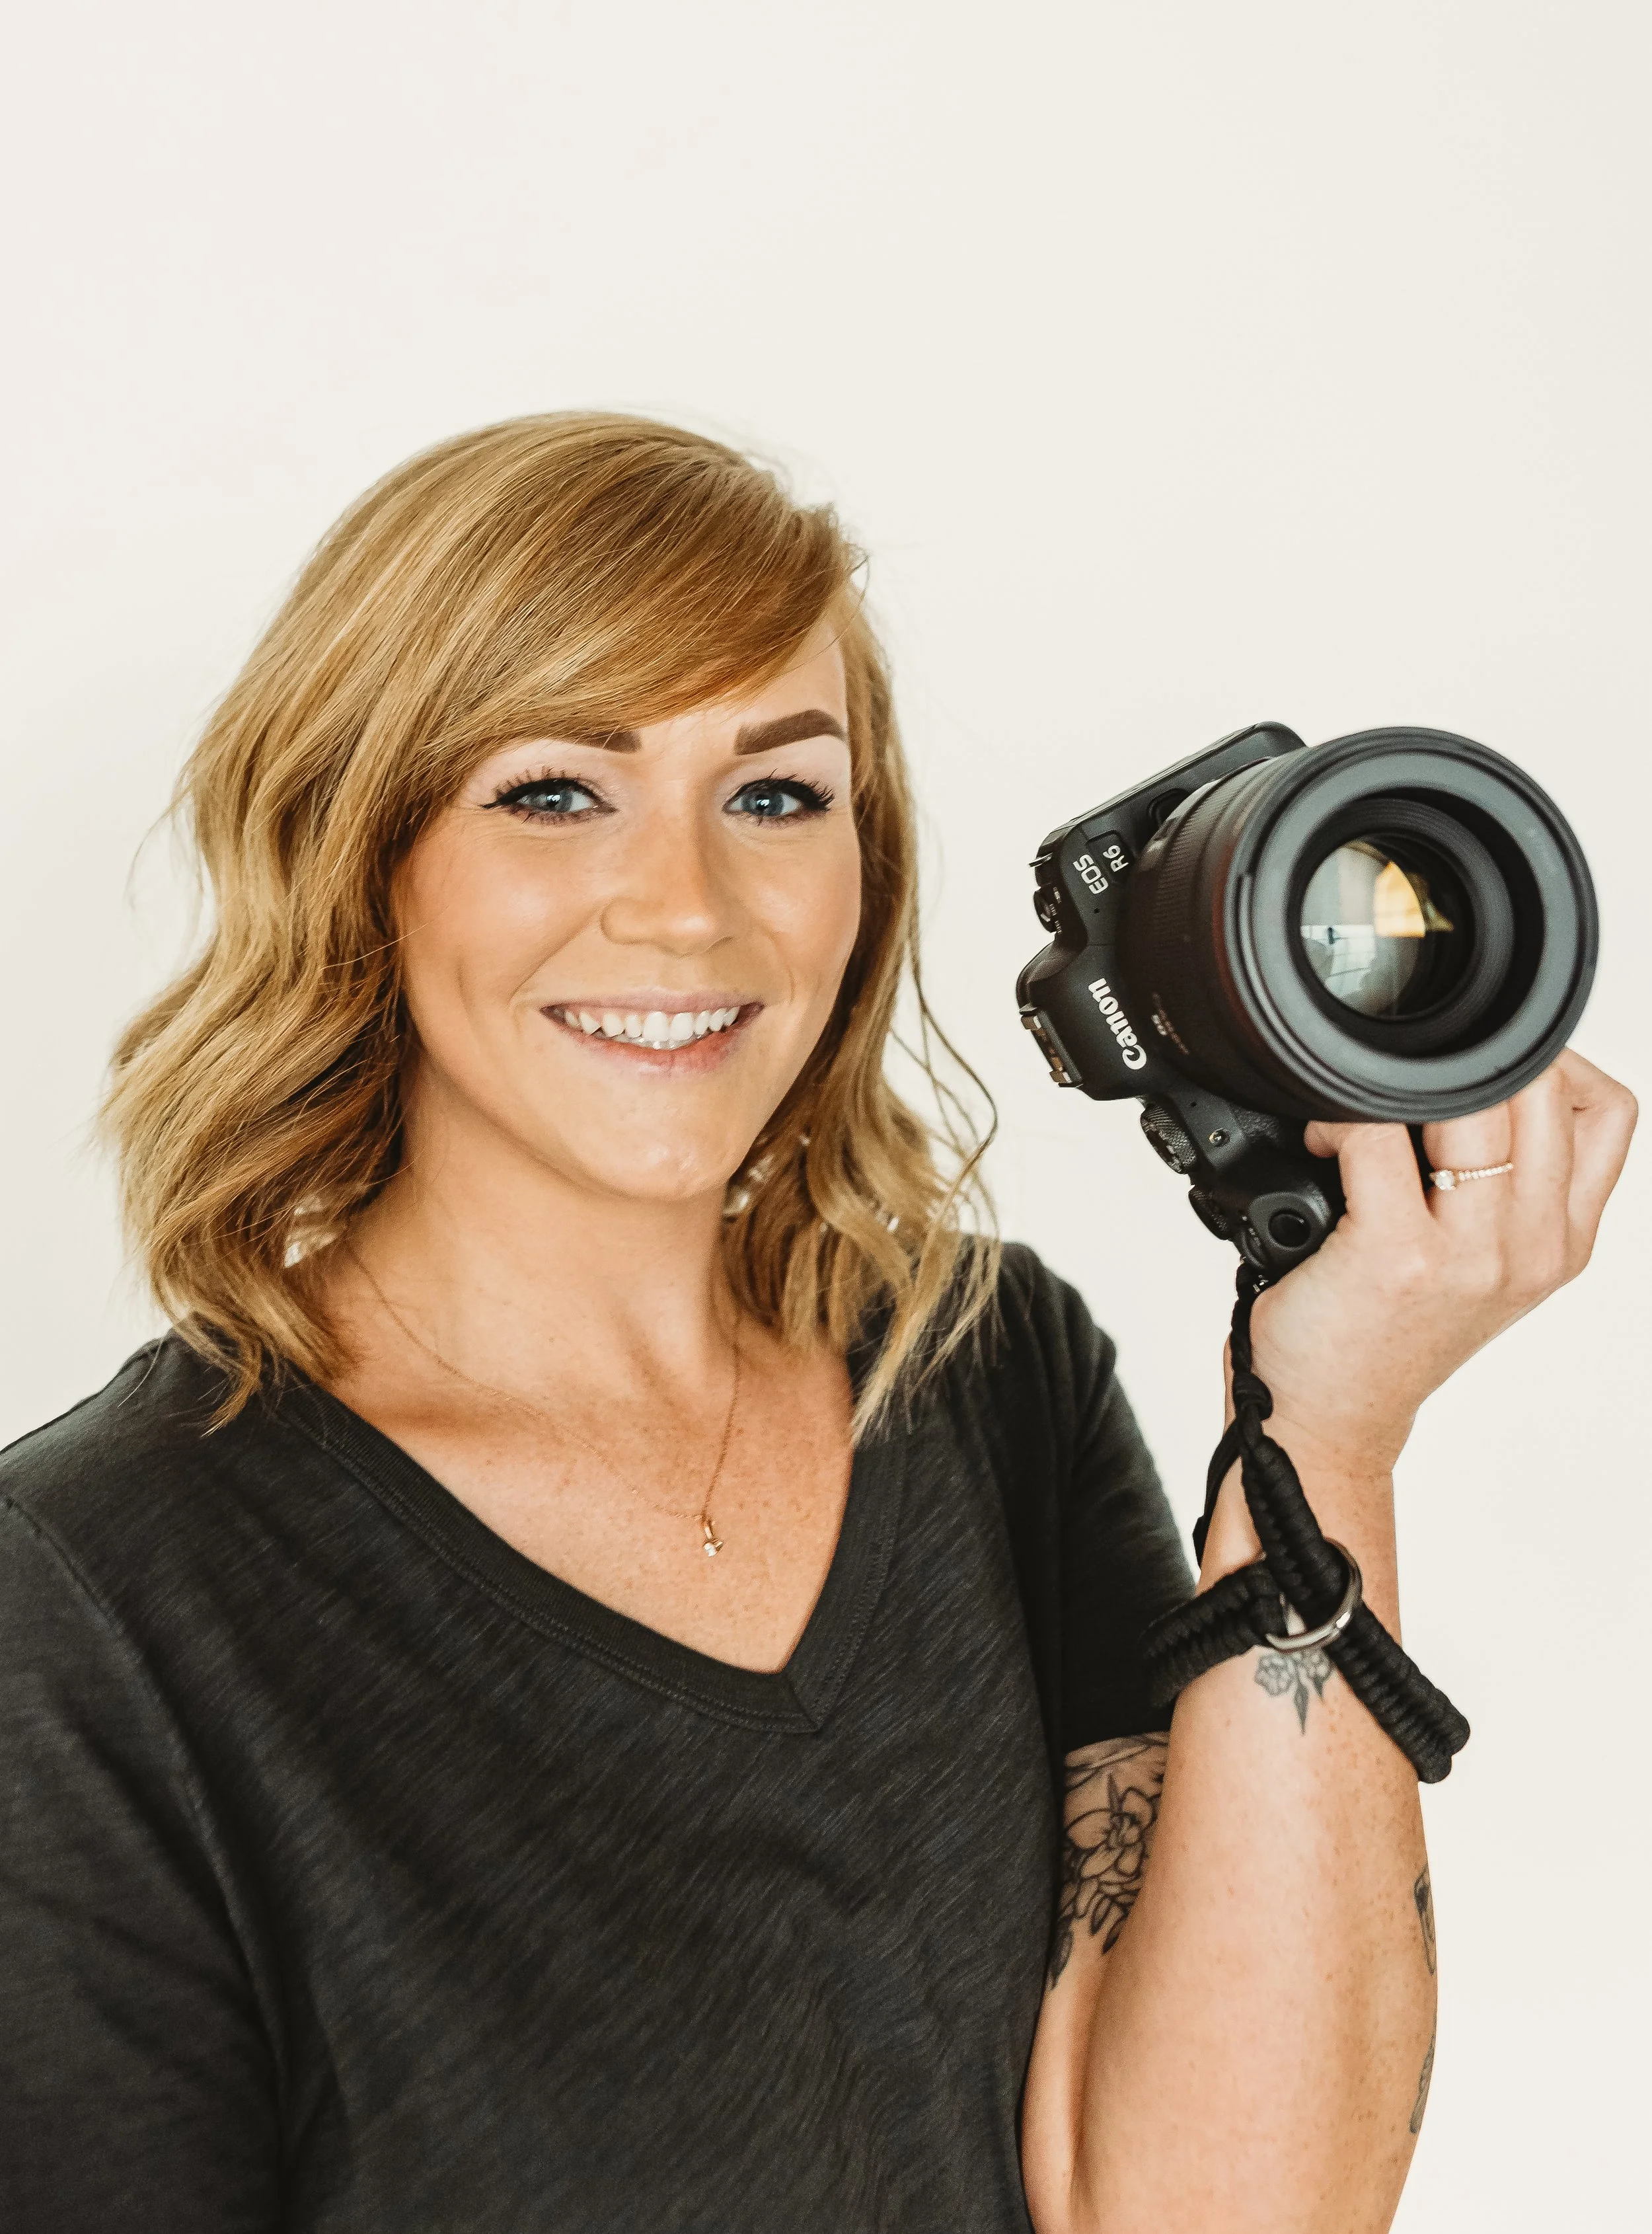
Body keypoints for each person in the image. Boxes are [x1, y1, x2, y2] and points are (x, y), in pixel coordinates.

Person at [0, 413, 1633, 2234]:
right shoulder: (89, 1590)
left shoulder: (985, 1369)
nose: (689, 905)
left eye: (777, 792)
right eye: (553, 789)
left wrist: (1324, 1431)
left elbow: (1218, 2209)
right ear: (356, 854)